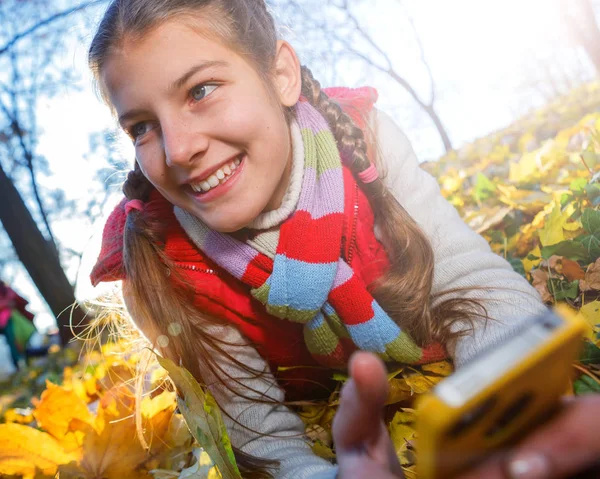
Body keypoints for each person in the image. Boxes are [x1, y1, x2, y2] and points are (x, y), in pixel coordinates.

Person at [86, 1, 600, 477]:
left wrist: (502, 411)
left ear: (281, 74)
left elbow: (469, 280)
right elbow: (262, 440)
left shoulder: (364, 137)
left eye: (201, 91)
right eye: (142, 127)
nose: (177, 149)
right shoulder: (162, 262)